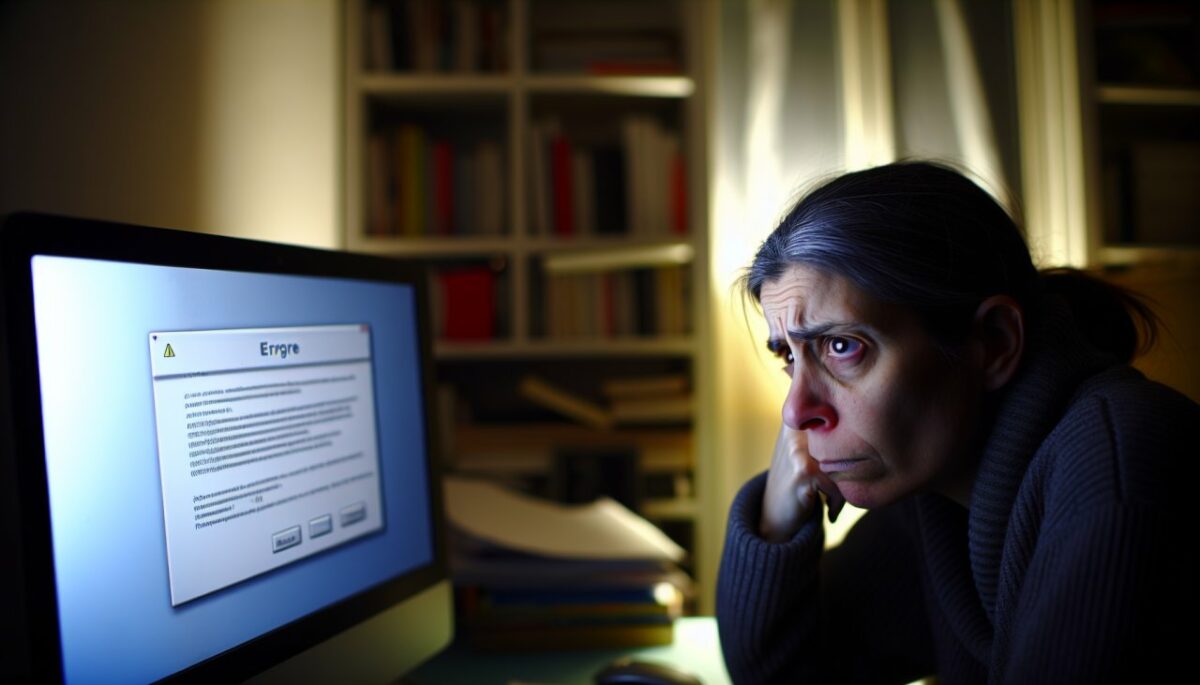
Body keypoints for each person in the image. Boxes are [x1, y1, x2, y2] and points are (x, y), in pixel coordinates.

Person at [716, 161, 1198, 684]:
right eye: (787, 355)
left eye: (841, 346)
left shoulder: (1117, 480)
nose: (795, 411)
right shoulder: (943, 488)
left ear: (994, 342)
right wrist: (773, 525)